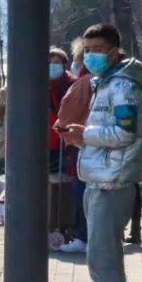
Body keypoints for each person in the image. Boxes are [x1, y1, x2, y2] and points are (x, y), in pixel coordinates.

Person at [60, 23, 142, 282]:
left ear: (114, 50)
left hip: (113, 183)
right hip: (100, 179)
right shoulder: (106, 82)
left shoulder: (123, 86)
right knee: (107, 259)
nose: (92, 55)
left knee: (101, 260)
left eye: (98, 49)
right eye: (88, 49)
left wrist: (85, 134)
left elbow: (125, 134)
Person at [55, 38, 92, 253]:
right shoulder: (104, 81)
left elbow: (65, 115)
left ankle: (83, 237)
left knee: (82, 194)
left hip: (82, 145)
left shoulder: (84, 82)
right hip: (99, 147)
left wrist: (63, 129)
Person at [47, 48, 76, 250]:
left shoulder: (73, 84)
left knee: (65, 186)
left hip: (66, 142)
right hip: (47, 141)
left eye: (57, 62)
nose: (53, 66)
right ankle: (48, 228)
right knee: (49, 186)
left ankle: (64, 229)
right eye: (50, 62)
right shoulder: (40, 83)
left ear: (65, 65)